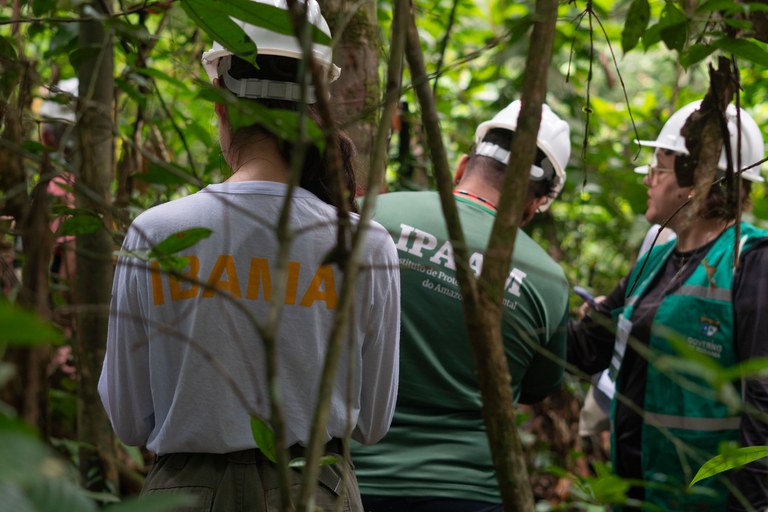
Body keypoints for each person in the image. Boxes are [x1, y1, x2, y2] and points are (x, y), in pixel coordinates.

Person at [97, 1, 400, 510]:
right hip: (316, 490)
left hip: (185, 493)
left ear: (222, 104)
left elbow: (128, 419)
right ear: (316, 109)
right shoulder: (367, 247)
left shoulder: (155, 232)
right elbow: (371, 422)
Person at [352, 100, 572, 511]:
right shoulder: (549, 281)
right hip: (468, 491)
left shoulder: (377, 215)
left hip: (353, 477)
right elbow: (539, 388)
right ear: (534, 204)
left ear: (463, 166)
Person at [568, 99, 768, 511]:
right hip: (638, 493)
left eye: (657, 168)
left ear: (694, 178)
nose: (648, 180)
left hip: (705, 501)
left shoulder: (751, 260)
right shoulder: (656, 259)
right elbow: (587, 348)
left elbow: (763, 400)